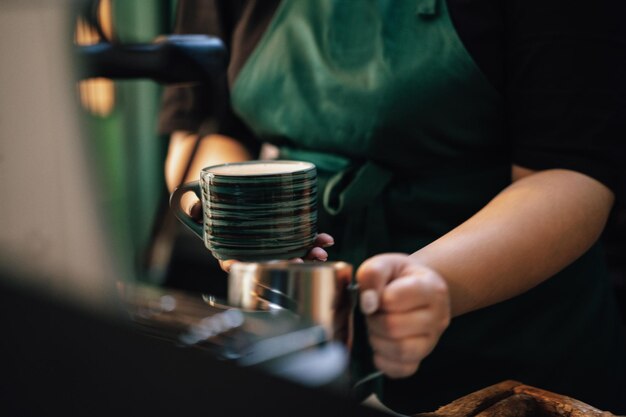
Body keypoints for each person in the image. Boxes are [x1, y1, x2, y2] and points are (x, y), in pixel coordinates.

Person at [158, 0, 626, 413]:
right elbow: (201, 126)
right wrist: (242, 223)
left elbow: (569, 171)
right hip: (292, 337)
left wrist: (431, 283)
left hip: (515, 346)